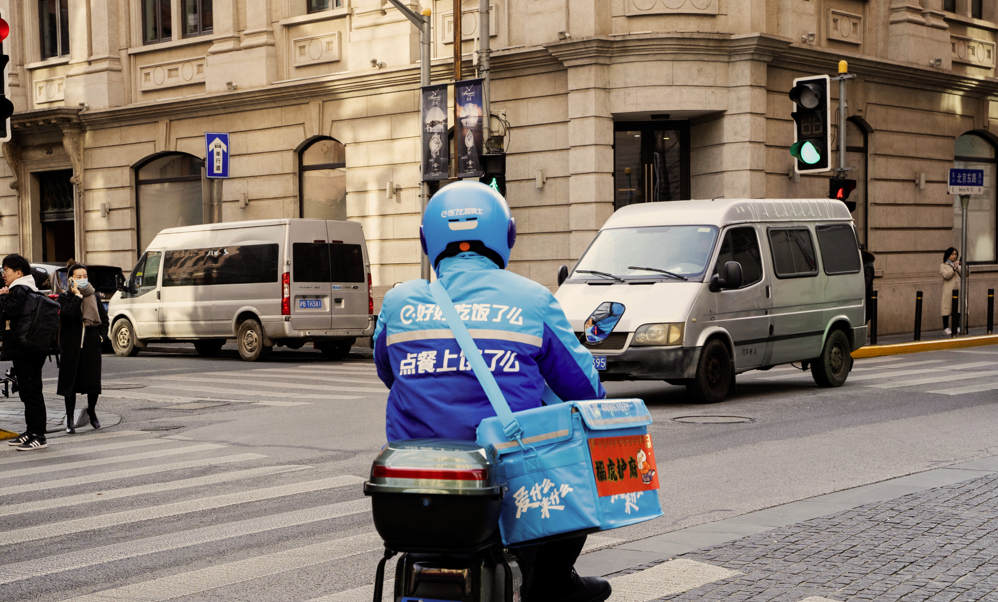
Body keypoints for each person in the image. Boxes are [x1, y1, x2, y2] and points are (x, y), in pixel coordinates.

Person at [373, 181, 612, 602]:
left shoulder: (398, 302)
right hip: (502, 485)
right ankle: (553, 583)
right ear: (508, 235)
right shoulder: (533, 300)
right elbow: (586, 391)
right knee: (579, 468)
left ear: (427, 241)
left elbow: (388, 372)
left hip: (411, 491)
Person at [0, 254, 49, 451]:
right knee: (28, 393)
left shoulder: (21, 288)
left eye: (7, 270)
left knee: (32, 393)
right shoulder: (25, 288)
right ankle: (30, 431)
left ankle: (39, 435)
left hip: (28, 351)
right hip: (26, 349)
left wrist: (3, 296)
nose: (4, 274)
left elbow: (13, 309)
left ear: (18, 273)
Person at [58, 263, 109, 432]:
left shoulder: (93, 296)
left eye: (84, 276)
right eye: (78, 277)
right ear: (70, 279)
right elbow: (68, 315)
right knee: (70, 384)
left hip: (90, 346)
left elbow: (104, 319)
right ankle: (70, 419)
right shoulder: (64, 298)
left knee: (92, 383)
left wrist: (100, 337)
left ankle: (92, 412)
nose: (82, 279)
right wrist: (77, 296)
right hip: (71, 347)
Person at [941, 247, 962, 335]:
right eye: (952, 254)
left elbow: (966, 274)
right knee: (946, 308)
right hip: (949, 290)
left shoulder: (958, 264)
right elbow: (946, 276)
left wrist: (961, 266)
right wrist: (954, 269)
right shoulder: (944, 265)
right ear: (948, 255)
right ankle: (946, 327)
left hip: (958, 289)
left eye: (956, 254)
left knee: (958, 308)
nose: (954, 256)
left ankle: (957, 326)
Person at [860, 244, 875, 324]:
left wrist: (861, 289)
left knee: (867, 314)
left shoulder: (868, 265)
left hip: (867, 294)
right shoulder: (863, 264)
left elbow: (867, 282)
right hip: (864, 293)